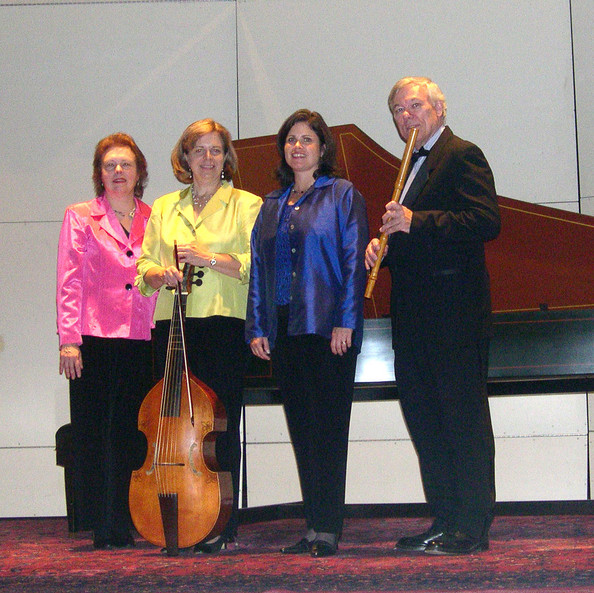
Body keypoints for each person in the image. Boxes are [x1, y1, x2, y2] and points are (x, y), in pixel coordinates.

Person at [365, 77, 501, 555]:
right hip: (415, 319)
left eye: (415, 105)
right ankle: (444, 519)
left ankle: (473, 526)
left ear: (439, 108)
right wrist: (384, 248)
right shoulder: (407, 169)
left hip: (455, 318)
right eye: (398, 110)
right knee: (427, 422)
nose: (407, 116)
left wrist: (413, 221)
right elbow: (416, 242)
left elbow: (486, 221)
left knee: (461, 421)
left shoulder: (463, 154)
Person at [246, 109, 368, 558]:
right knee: (301, 429)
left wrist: (346, 320)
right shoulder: (272, 204)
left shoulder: (341, 194)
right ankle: (312, 524)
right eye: (291, 140)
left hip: (327, 329)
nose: (297, 147)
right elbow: (259, 269)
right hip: (286, 332)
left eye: (307, 139)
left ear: (322, 148)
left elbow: (355, 262)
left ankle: (328, 527)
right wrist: (258, 325)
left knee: (329, 429)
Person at [136, 119, 262, 553]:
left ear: (226, 158)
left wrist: (208, 257)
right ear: (184, 158)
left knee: (218, 427)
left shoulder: (247, 204)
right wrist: (161, 273)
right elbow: (143, 269)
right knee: (172, 424)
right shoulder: (165, 206)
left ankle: (222, 524)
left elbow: (255, 264)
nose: (207, 159)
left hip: (223, 323)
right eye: (199, 151)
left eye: (215, 150)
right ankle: (176, 514)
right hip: (173, 324)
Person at [56, 133, 157, 549]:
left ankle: (129, 517)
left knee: (133, 430)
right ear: (99, 173)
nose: (119, 172)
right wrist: (69, 340)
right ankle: (103, 521)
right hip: (93, 338)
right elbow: (68, 281)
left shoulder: (155, 216)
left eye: (126, 165)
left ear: (139, 172)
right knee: (95, 432)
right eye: (110, 165)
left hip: (141, 336)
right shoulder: (80, 217)